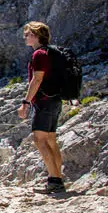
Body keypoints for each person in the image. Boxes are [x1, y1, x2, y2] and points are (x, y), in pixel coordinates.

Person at [19, 21, 64, 195]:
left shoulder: (39, 55)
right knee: (50, 140)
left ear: (37, 36)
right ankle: (57, 177)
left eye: (28, 34)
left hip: (44, 101)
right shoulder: (50, 53)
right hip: (54, 100)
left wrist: (26, 102)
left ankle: (54, 181)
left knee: (39, 140)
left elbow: (37, 79)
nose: (25, 37)